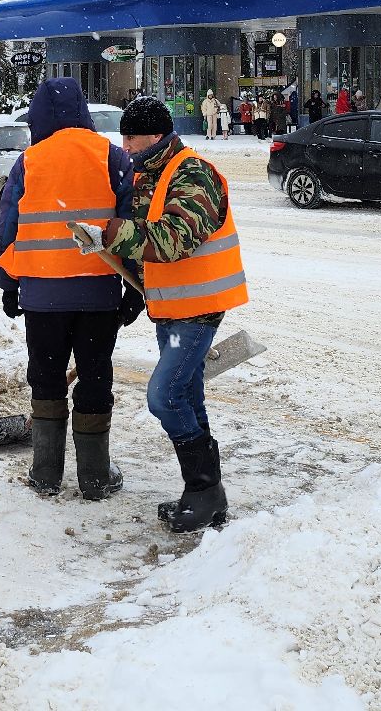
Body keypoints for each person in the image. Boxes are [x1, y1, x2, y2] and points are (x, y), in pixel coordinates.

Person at [103, 97, 248, 534]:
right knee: (187, 395)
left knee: (164, 397)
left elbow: (173, 238)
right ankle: (208, 494)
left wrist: (115, 233)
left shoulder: (191, 171)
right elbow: (145, 241)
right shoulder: (147, 172)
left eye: (132, 136)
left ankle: (202, 488)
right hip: (169, 305)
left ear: (155, 134)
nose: (125, 145)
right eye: (123, 136)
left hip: (199, 308)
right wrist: (119, 261)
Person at [0, 77, 137, 499]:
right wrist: (133, 287)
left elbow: (9, 226)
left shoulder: (29, 161)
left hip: (42, 294)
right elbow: (130, 224)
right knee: (95, 378)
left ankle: (45, 474)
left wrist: (8, 282)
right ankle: (94, 477)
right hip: (98, 294)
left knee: (47, 377)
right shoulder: (112, 157)